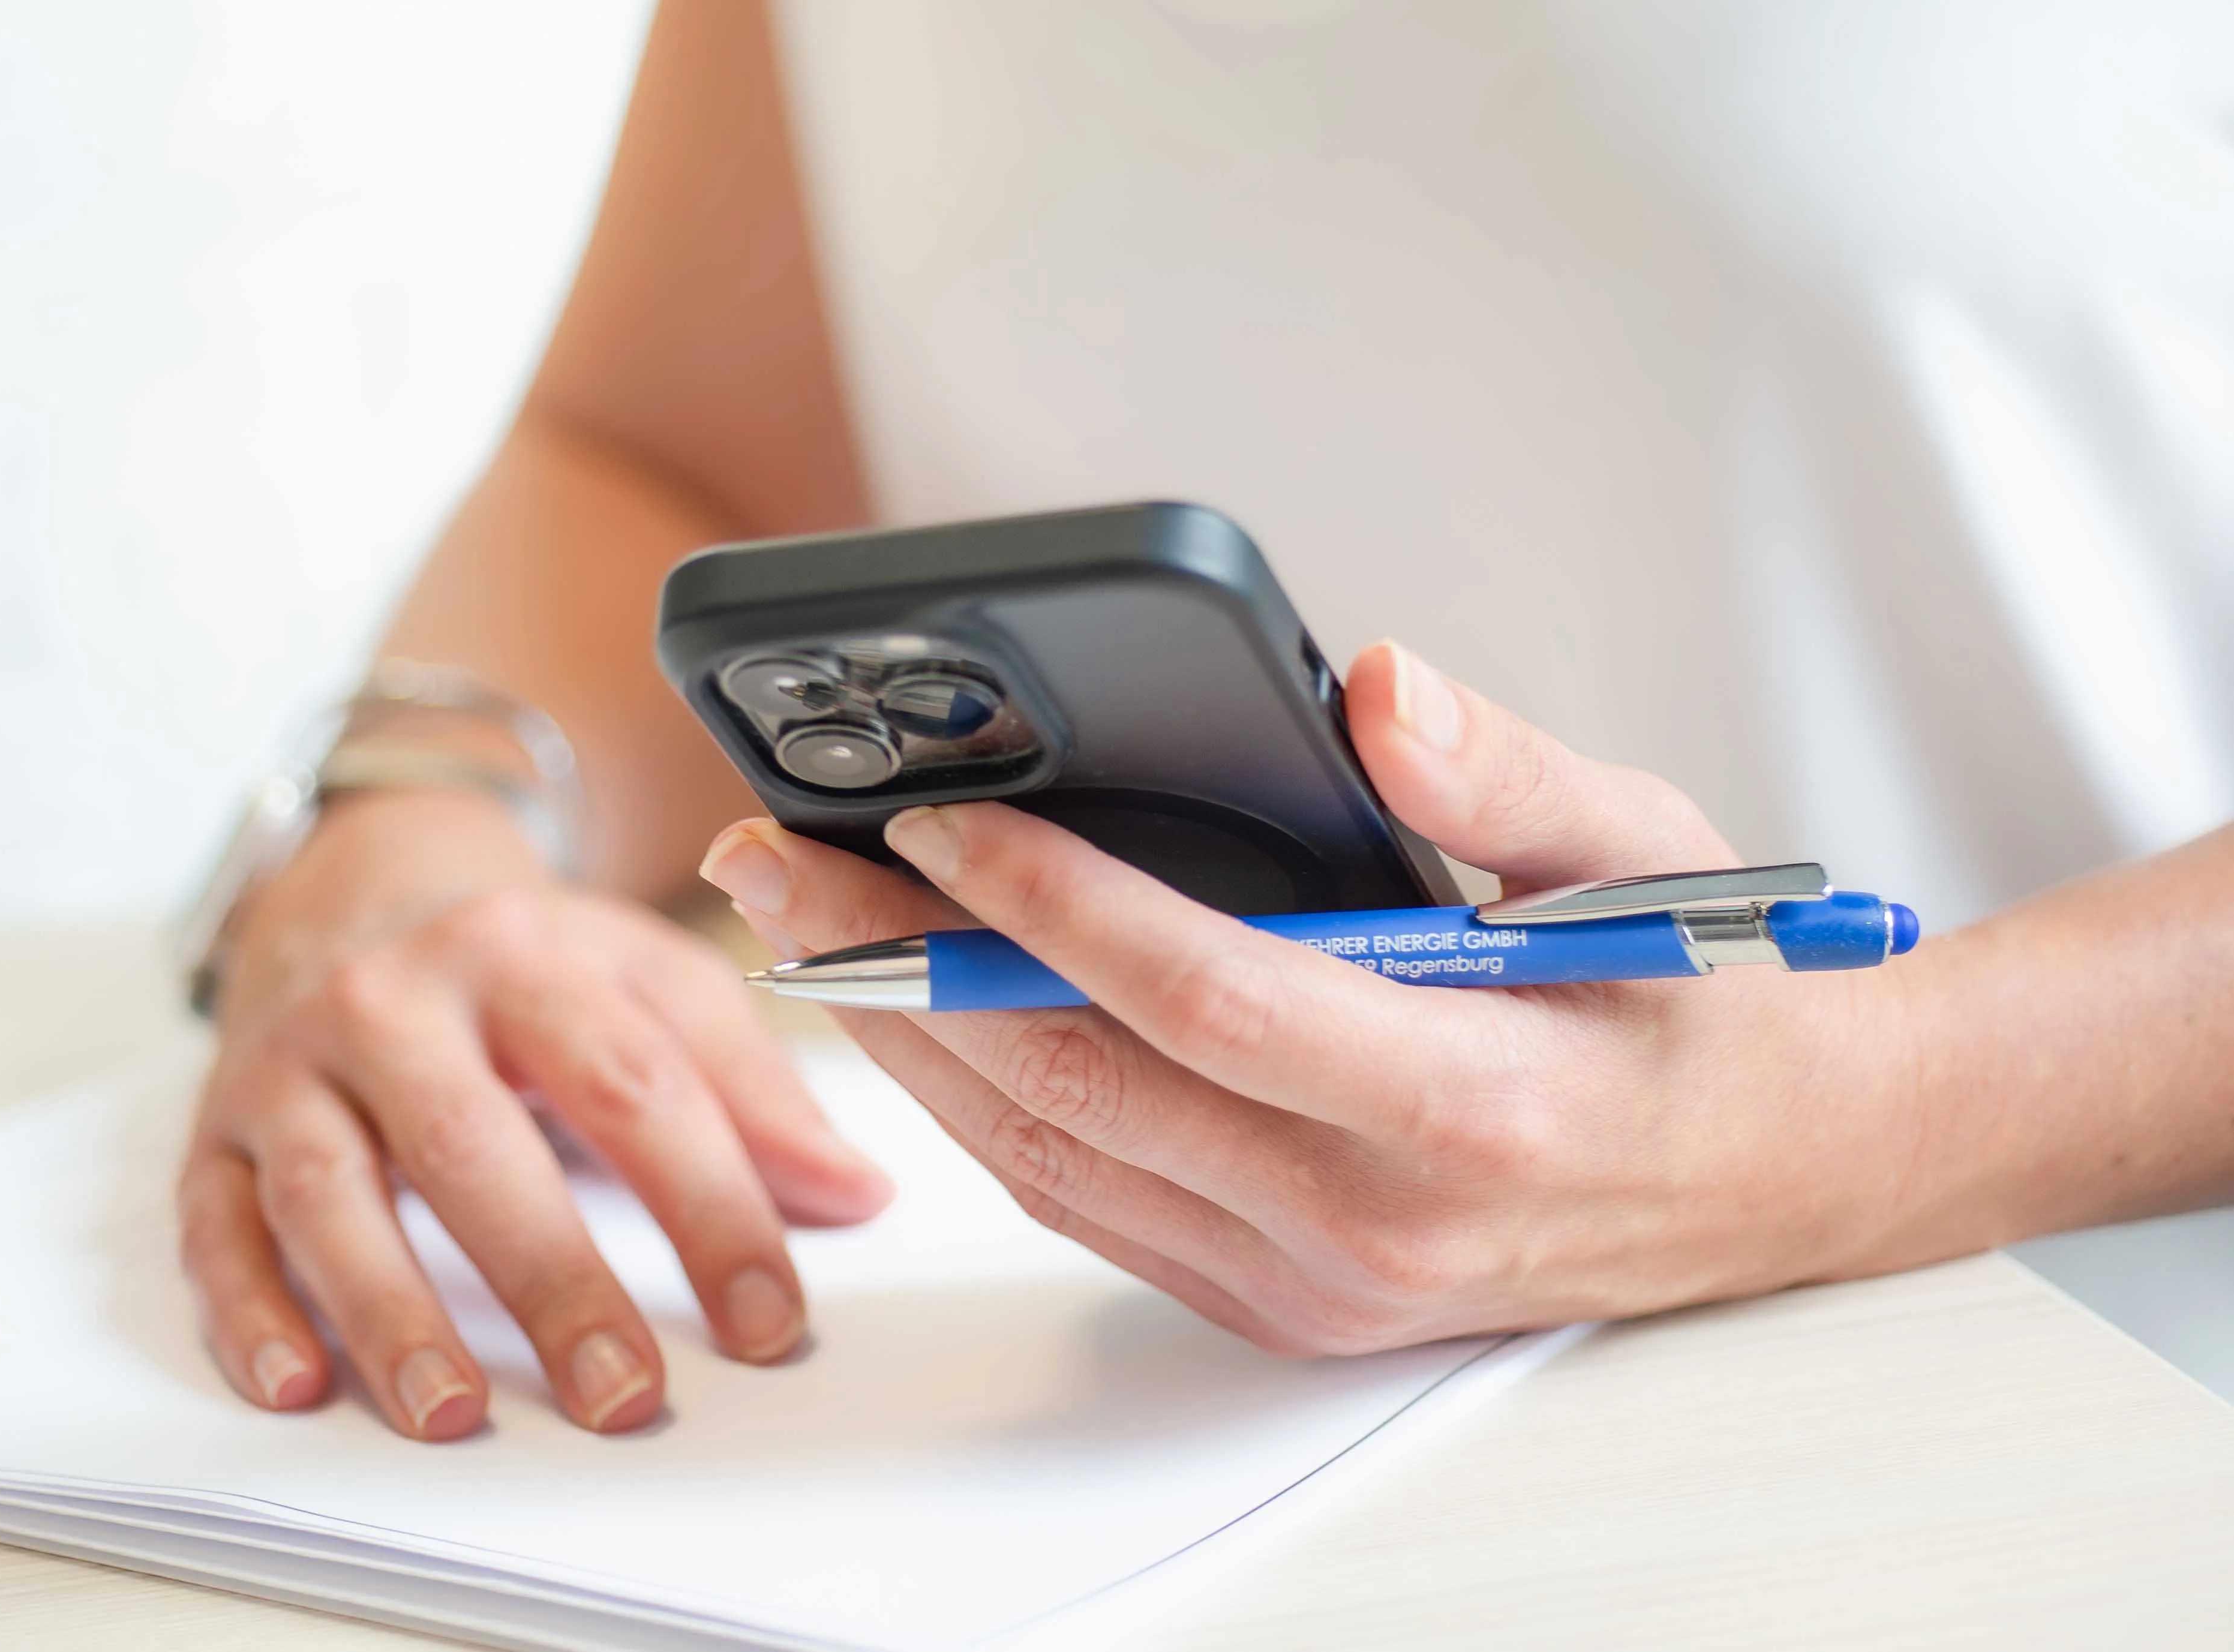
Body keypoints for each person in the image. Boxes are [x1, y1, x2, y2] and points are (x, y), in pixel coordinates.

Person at [176, 0, 2234, 1440]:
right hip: (1186, 1422)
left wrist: (1884, 1111)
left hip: (2105, 1415)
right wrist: (420, 832)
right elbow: (660, 457)